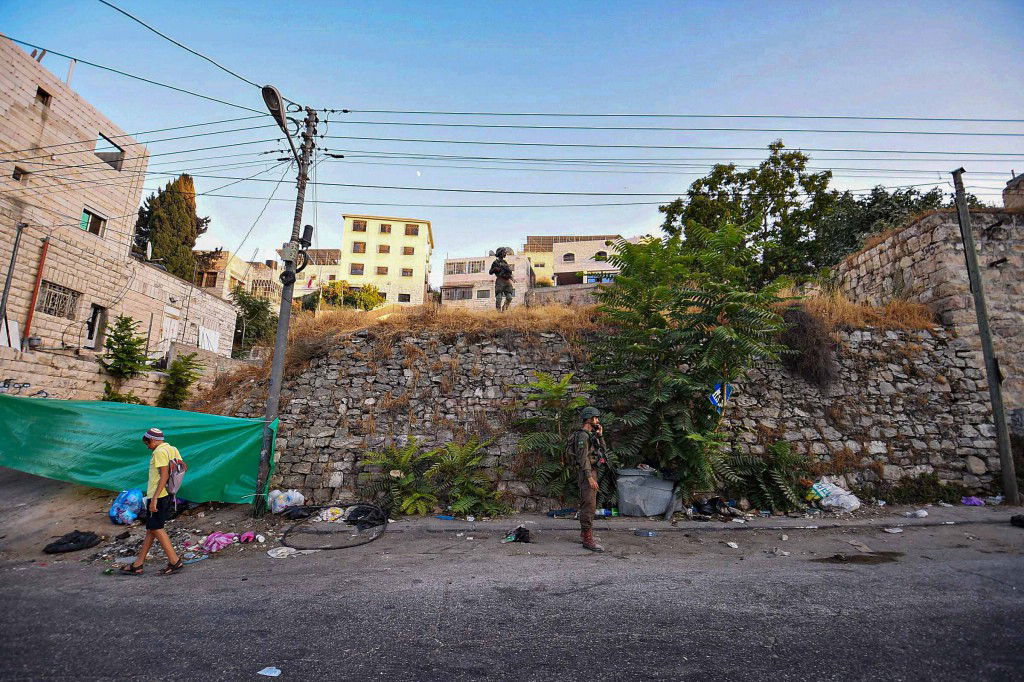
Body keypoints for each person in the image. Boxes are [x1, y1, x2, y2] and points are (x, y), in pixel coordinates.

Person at [120, 428, 185, 575]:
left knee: (156, 528)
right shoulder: (172, 449)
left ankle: (175, 561)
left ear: (154, 440)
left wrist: (154, 499)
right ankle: (138, 564)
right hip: (168, 493)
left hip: (158, 495)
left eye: (148, 443)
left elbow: (164, 475)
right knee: (151, 528)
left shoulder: (159, 452)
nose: (148, 447)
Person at [570, 406, 609, 552]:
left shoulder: (591, 435)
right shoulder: (583, 436)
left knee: (590, 502)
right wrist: (589, 477)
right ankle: (587, 538)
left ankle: (585, 533)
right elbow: (583, 459)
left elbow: (603, 451)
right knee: (589, 504)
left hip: (592, 471)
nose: (597, 421)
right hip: (587, 472)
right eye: (596, 418)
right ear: (589, 419)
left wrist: (600, 436)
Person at [489, 247, 515, 312]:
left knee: (509, 297)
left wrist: (512, 278)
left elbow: (509, 271)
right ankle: (498, 312)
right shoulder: (495, 262)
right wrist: (495, 269)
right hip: (500, 281)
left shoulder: (505, 262)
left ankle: (504, 309)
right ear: (500, 253)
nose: (505, 253)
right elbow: (490, 272)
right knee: (499, 298)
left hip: (507, 281)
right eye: (504, 252)